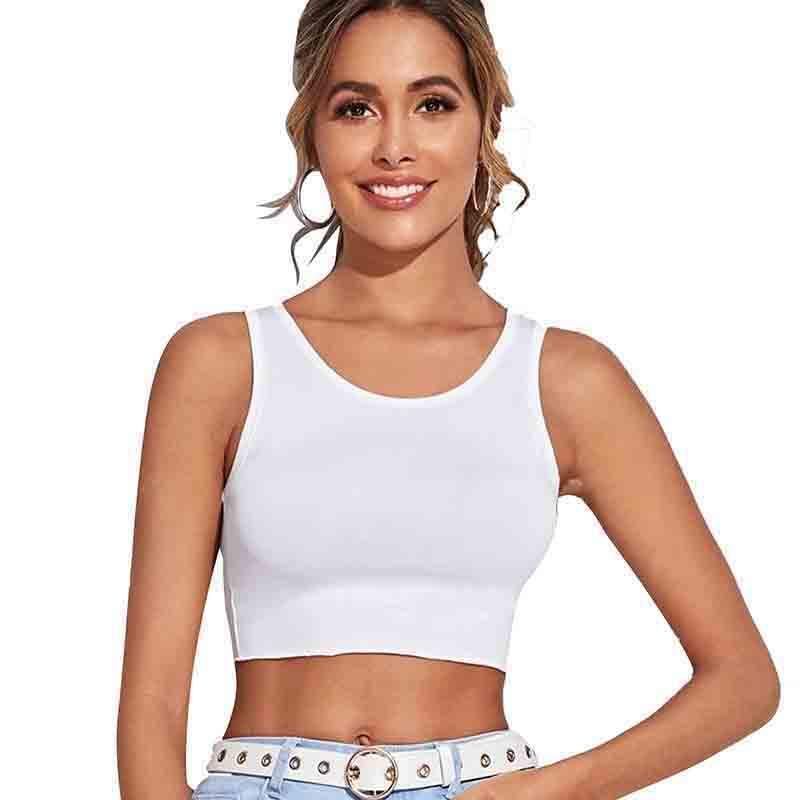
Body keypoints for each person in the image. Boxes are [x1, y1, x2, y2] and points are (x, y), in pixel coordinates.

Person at [116, 3, 780, 799]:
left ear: (485, 122)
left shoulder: (566, 381)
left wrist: (544, 792)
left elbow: (742, 678)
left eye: (432, 103)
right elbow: (152, 708)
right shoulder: (221, 364)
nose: (394, 145)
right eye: (355, 108)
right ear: (312, 133)